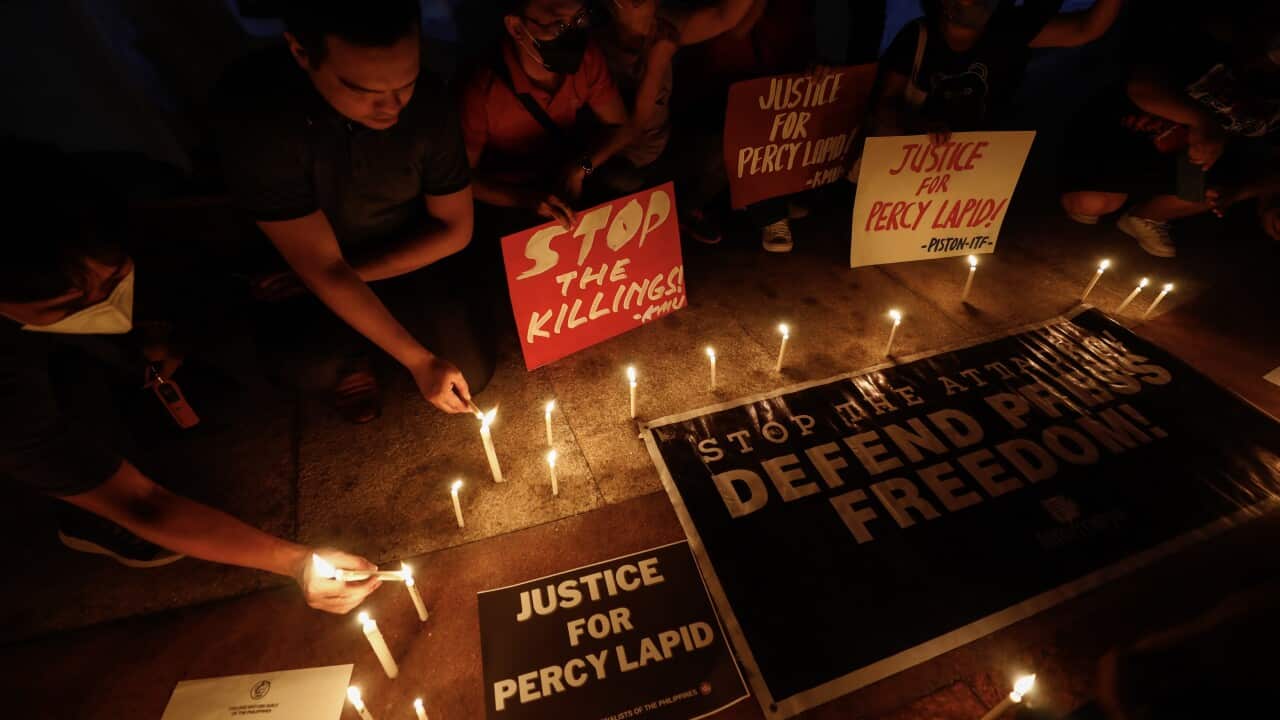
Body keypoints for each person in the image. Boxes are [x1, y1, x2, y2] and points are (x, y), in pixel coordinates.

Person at [0, 141, 379, 614]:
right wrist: (298, 562)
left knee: (219, 396)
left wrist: (157, 331)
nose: (104, 304)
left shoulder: (95, 194)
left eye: (115, 276)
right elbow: (145, 503)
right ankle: (86, 521)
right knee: (87, 434)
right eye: (70, 305)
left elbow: (173, 265)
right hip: (44, 391)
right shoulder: (10, 393)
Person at [215, 0, 491, 424]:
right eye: (363, 91)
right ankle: (358, 360)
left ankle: (382, 346)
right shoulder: (260, 118)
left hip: (403, 257)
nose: (392, 107)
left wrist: (348, 277)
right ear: (302, 53)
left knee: (470, 370)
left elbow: (455, 229)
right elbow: (323, 266)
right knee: (307, 367)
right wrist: (419, 360)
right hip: (311, 268)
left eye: (406, 83)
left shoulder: (429, 102)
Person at [1060, 8, 1280, 256]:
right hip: (1137, 133)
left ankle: (1147, 215)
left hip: (1192, 161)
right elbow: (1142, 86)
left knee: (1212, 191)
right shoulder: (1209, 40)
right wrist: (1202, 122)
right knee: (1090, 204)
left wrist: (1253, 197)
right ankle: (1110, 191)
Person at [461, 0, 631, 233]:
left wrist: (581, 168)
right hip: (511, 194)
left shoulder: (587, 58)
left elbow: (620, 127)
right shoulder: (482, 88)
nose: (572, 33)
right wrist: (525, 199)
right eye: (559, 24)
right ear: (517, 28)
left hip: (567, 173)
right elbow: (461, 179)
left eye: (580, 18)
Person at [668, 0, 820, 252]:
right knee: (750, 120)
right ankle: (770, 212)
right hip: (715, 91)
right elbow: (735, 31)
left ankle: (777, 196)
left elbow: (799, 43)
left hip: (769, 83)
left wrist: (814, 67)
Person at [876, 0, 1126, 144]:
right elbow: (883, 104)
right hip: (914, 162)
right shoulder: (917, 37)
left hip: (980, 163)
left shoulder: (1007, 29)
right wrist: (922, 127)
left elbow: (1084, 29)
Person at [590, 0, 755, 203]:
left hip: (662, 143)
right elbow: (635, 124)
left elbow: (723, 18)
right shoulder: (601, 47)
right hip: (620, 159)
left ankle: (687, 208)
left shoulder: (663, 25)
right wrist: (656, 64)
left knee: (729, 148)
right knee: (622, 180)